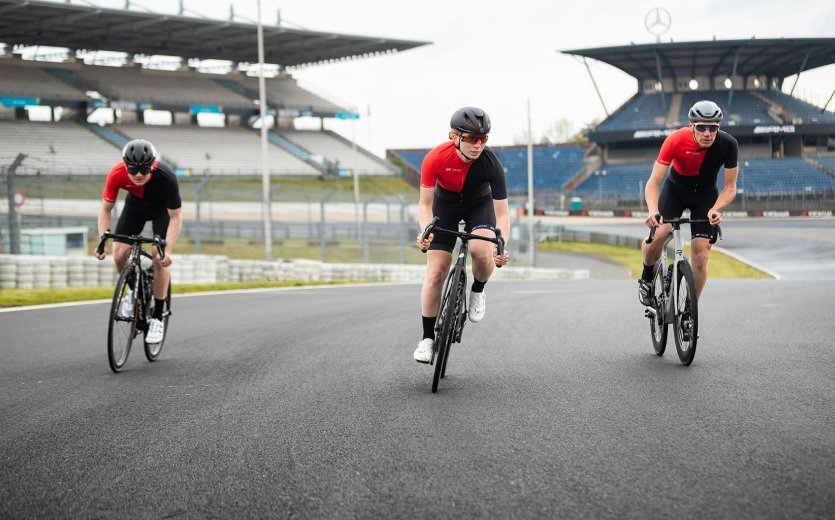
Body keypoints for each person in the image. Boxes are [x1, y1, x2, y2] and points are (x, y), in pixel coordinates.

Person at [413, 107, 510, 363]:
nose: (478, 145)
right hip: (445, 205)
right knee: (435, 273)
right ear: (453, 136)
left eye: (484, 139)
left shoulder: (491, 163)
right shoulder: (435, 159)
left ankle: (478, 290)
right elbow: (424, 205)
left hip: (479, 205)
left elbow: (502, 214)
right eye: (471, 138)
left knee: (481, 251)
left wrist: (501, 246)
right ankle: (427, 339)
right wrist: (425, 230)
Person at [638, 100, 738, 305]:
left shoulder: (729, 145)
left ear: (719, 127)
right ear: (691, 125)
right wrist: (652, 210)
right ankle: (647, 278)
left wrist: (717, 209)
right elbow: (653, 183)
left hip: (705, 197)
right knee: (658, 237)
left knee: (701, 257)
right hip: (675, 191)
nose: (707, 133)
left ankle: (689, 311)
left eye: (713, 128)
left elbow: (730, 187)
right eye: (702, 127)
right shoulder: (675, 140)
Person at [93, 139, 182, 344]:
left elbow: (176, 217)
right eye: (133, 169)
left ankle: (157, 317)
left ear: (152, 164)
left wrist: (167, 250)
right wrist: (102, 240)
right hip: (135, 208)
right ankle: (134, 292)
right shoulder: (116, 173)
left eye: (143, 169)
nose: (139, 174)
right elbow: (105, 209)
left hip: (162, 212)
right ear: (126, 165)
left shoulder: (166, 177)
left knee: (158, 259)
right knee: (118, 255)